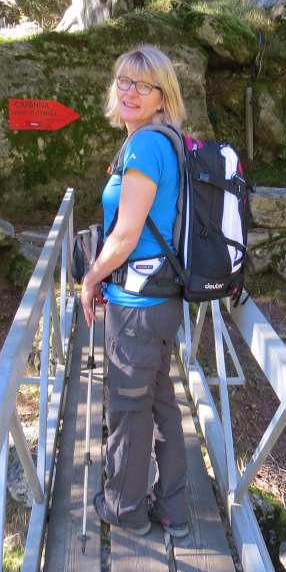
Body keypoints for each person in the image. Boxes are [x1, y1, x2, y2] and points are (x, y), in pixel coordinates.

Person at [80, 45, 190, 538]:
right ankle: (174, 510)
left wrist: (91, 278)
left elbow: (125, 236)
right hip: (162, 300)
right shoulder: (170, 141)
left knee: (129, 410)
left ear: (162, 96)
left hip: (138, 307)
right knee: (160, 404)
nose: (130, 91)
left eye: (145, 85)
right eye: (124, 81)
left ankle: (125, 509)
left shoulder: (146, 146)